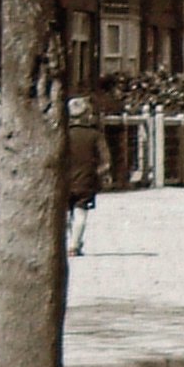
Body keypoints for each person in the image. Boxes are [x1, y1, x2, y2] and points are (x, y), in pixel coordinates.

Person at [62, 96, 109, 258]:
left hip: (63, 180)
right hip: (86, 180)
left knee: (65, 213)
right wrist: (97, 174)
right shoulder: (95, 135)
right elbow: (106, 161)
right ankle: (74, 246)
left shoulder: (62, 134)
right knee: (81, 212)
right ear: (87, 114)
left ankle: (67, 243)